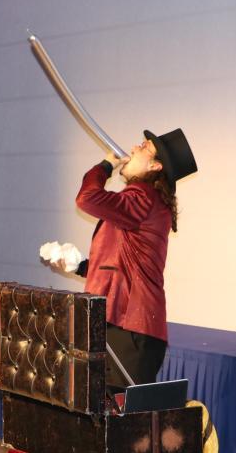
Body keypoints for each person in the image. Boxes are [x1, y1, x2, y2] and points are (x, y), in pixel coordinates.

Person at [51, 128, 197, 388]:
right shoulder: (145, 201)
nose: (133, 148)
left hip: (129, 328)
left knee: (121, 408)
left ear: (155, 166)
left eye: (144, 147)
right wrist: (80, 265)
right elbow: (122, 266)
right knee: (109, 407)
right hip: (124, 326)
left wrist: (105, 166)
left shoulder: (142, 196)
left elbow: (87, 198)